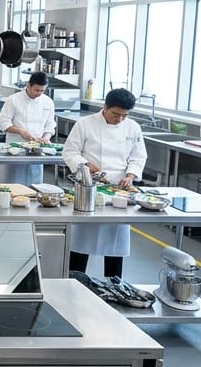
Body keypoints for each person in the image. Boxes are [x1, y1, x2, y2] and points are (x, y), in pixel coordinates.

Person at [63, 88, 147, 278]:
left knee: (115, 243)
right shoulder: (85, 124)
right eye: (116, 114)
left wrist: (131, 175)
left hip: (120, 191)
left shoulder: (132, 127)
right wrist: (85, 165)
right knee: (81, 241)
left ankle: (115, 287)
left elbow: (138, 155)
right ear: (105, 107)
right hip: (89, 188)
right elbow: (69, 152)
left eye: (124, 116)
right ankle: (74, 283)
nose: (119, 120)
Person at [0, 71, 57, 185]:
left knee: (34, 184)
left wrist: (46, 137)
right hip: (15, 148)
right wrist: (20, 131)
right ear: (28, 85)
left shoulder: (48, 102)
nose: (39, 93)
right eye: (36, 90)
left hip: (37, 150)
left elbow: (50, 124)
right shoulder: (13, 99)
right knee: (12, 182)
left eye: (42, 91)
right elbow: (3, 122)